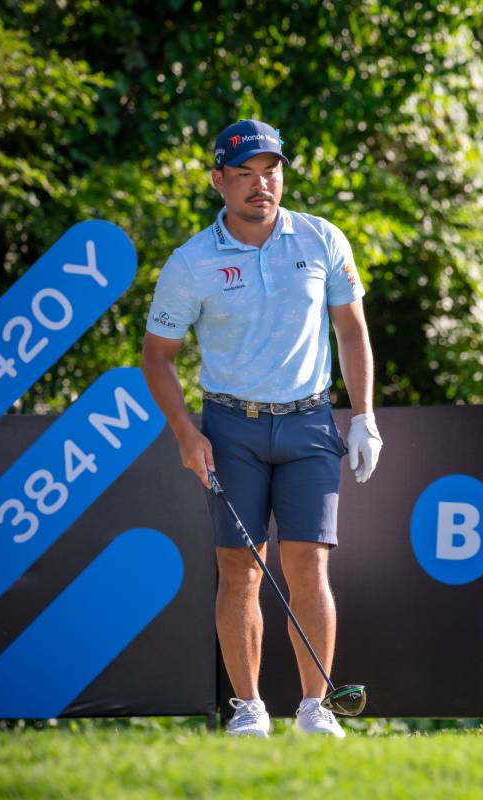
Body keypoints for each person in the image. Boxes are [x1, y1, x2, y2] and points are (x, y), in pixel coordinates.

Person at [141, 118, 382, 738]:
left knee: (308, 567)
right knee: (241, 568)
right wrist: (185, 433)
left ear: (282, 173)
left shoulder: (322, 238)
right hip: (230, 428)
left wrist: (365, 417)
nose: (259, 185)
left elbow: (351, 330)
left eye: (269, 171)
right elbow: (157, 356)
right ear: (219, 180)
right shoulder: (191, 261)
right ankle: (248, 710)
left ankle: (313, 709)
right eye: (244, 174)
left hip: (308, 425)